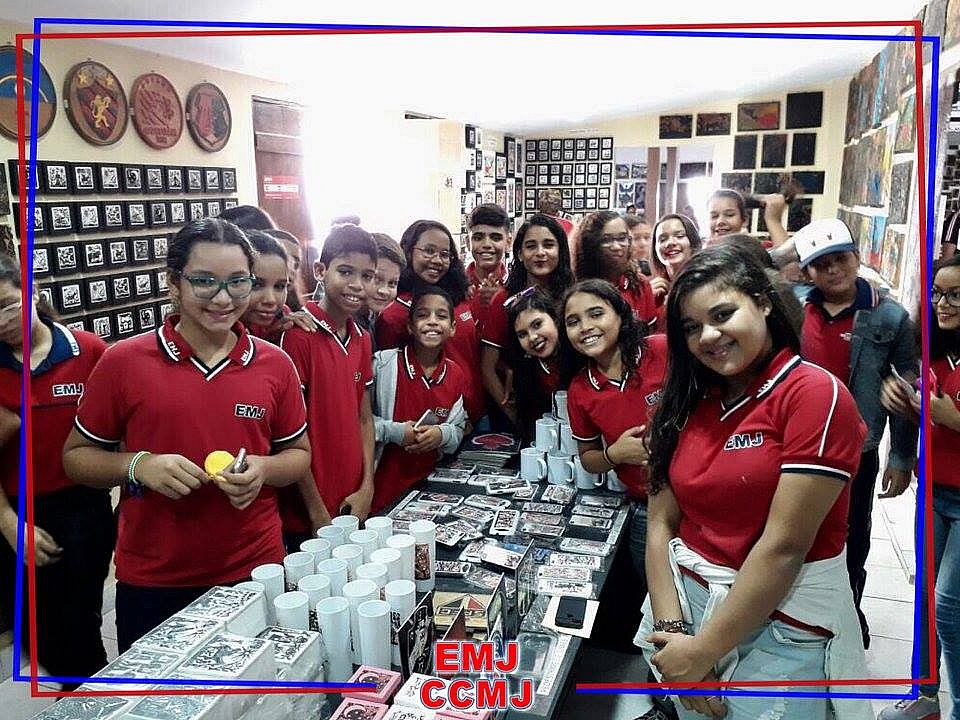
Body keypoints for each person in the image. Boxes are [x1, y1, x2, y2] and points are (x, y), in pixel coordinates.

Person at [642, 244, 869, 720]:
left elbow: (784, 547)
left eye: (723, 314)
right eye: (690, 327)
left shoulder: (814, 395)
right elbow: (661, 522)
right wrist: (675, 637)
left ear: (763, 303)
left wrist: (702, 652)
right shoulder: (688, 397)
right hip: (688, 607)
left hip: (781, 623)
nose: (708, 336)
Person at [62, 219, 311, 652]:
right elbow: (76, 457)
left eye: (239, 282)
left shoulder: (275, 364)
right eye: (204, 281)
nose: (223, 298)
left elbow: (299, 454)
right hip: (155, 577)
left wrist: (262, 469)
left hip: (254, 567)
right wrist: (138, 465)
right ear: (173, 282)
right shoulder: (124, 362)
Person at [794, 218, 918, 650]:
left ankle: (849, 611)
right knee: (798, 530)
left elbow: (906, 387)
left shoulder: (890, 316)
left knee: (853, 534)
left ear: (857, 257)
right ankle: (800, 612)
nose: (833, 270)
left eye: (840, 258)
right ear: (807, 270)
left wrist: (901, 457)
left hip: (856, 449)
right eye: (820, 264)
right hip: (800, 446)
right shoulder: (794, 309)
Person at [0, 254, 113, 689]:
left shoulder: (89, 352)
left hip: (82, 507)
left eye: (8, 305)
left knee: (81, 621)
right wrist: (9, 523)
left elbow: (120, 433)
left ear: (32, 292)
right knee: (35, 629)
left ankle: (91, 698)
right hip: (12, 508)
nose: (3, 321)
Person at [876, 254, 960, 720]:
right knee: (926, 598)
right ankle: (924, 697)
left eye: (956, 295)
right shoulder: (934, 352)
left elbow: (948, 416)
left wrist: (953, 418)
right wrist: (907, 404)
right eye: (938, 293)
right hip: (932, 491)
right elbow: (930, 412)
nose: (943, 304)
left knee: (948, 606)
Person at [562, 278, 667, 577]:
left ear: (621, 315)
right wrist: (615, 455)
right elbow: (588, 459)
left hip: (696, 497)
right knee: (649, 590)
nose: (585, 327)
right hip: (644, 507)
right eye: (573, 322)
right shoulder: (580, 390)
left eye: (596, 314)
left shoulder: (661, 348)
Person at [281, 224, 378, 529]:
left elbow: (364, 419)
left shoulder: (362, 338)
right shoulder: (298, 335)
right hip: (310, 506)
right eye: (345, 272)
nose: (357, 285)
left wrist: (367, 485)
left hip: (353, 496)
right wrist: (315, 511)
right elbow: (289, 434)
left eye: (367, 276)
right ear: (320, 271)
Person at [370, 287, 468, 513]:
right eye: (423, 315)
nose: (432, 321)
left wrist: (441, 435)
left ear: (453, 328)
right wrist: (396, 432)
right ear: (410, 326)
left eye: (441, 316)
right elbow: (358, 422)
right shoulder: (383, 364)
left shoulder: (455, 374)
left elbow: (457, 430)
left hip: (431, 490)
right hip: (381, 490)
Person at [376, 220, 483, 422]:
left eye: (445, 254)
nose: (437, 260)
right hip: (432, 422)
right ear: (409, 252)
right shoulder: (395, 313)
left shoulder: (461, 297)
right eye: (429, 251)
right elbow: (388, 380)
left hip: (476, 409)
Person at [479, 214, 575, 422]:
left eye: (548, 245)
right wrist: (514, 416)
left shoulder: (574, 295)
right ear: (520, 254)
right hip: (525, 408)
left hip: (573, 406)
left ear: (561, 250)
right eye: (531, 246)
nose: (540, 253)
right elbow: (487, 368)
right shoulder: (503, 300)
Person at [504, 289, 567, 445]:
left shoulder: (581, 357)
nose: (532, 337)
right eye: (522, 334)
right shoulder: (526, 370)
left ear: (555, 319)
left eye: (537, 325)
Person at [574, 211, 658, 326]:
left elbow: (649, 332)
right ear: (591, 245)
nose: (616, 247)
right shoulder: (576, 287)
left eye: (622, 238)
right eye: (606, 240)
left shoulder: (640, 284)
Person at [649, 213, 703, 322]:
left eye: (679, 236)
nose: (670, 243)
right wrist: (647, 301)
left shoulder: (707, 282)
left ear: (693, 242)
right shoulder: (648, 288)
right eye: (662, 239)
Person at [465, 204, 510, 328]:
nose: (486, 244)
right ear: (468, 242)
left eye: (495, 238)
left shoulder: (517, 286)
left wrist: (500, 300)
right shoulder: (455, 286)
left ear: (508, 242)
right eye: (478, 238)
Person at [357, 233, 405, 349]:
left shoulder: (372, 315)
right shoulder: (341, 322)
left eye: (392, 283)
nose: (385, 291)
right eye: (376, 279)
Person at [706, 189, 788, 247]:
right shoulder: (702, 252)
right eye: (714, 216)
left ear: (744, 220)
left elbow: (787, 258)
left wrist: (773, 220)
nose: (720, 221)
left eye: (729, 215)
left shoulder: (758, 249)